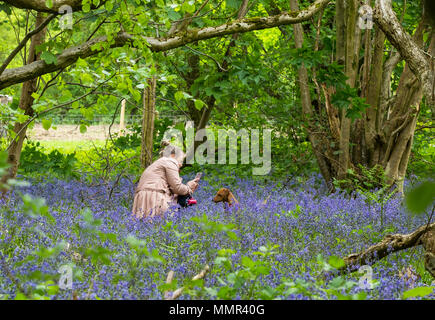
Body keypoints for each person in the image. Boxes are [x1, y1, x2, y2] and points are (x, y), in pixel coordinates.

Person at [132, 144, 199, 219]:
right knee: (159, 225)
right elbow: (177, 187)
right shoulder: (170, 162)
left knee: (144, 226)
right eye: (180, 160)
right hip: (155, 196)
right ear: (173, 155)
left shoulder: (158, 163)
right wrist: (189, 187)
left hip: (144, 197)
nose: (180, 164)